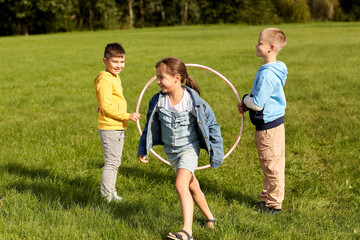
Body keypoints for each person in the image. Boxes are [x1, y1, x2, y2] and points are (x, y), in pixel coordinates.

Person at [138, 57, 224, 240]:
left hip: (189, 149)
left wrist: (216, 152)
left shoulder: (194, 101)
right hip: (171, 151)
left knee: (180, 184)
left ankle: (187, 232)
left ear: (177, 78)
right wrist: (143, 148)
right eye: (157, 78)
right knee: (192, 185)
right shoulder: (158, 101)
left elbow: (213, 126)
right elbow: (149, 125)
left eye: (161, 78)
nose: (158, 81)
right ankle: (210, 217)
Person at [237, 28, 288, 215]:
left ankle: (274, 205)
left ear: (271, 48)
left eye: (260, 43)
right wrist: (247, 104)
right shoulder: (274, 68)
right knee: (268, 163)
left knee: (272, 165)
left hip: (268, 127)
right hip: (271, 124)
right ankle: (267, 199)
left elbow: (258, 104)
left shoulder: (267, 74)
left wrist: (245, 100)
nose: (256, 45)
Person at [94, 43, 140, 203]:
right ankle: (106, 195)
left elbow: (105, 102)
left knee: (115, 162)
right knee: (112, 163)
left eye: (122, 62)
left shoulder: (114, 77)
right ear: (105, 61)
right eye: (115, 62)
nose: (119, 66)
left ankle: (111, 191)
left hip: (117, 126)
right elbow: (106, 106)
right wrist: (127, 116)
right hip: (110, 128)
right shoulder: (105, 80)